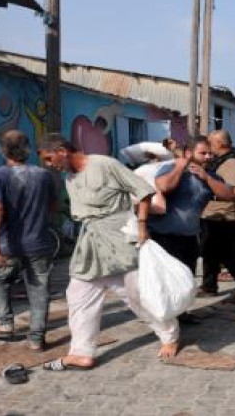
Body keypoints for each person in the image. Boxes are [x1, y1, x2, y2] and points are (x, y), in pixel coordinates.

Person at [38, 134, 179, 370]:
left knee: (137, 296)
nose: (49, 164)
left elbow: (144, 191)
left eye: (49, 158)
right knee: (78, 294)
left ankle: (169, 336)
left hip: (119, 239)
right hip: (90, 243)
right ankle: (81, 352)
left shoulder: (105, 164)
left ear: (62, 150)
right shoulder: (70, 177)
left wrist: (142, 226)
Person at [150, 136, 234, 324]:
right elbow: (163, 186)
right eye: (202, 153)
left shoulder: (210, 175)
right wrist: (181, 166)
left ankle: (181, 314)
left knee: (185, 280)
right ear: (189, 153)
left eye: (210, 153)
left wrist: (207, 178)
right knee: (165, 280)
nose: (208, 157)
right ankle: (165, 320)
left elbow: (228, 194)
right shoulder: (171, 168)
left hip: (189, 236)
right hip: (163, 235)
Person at [0, 131, 57, 350]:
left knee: (0, 281)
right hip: (39, 242)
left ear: (2, 150)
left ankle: (5, 325)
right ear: (27, 150)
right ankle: (36, 338)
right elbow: (52, 206)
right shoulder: (43, 175)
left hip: (10, 243)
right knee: (39, 288)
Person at [200, 130, 235, 300]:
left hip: (225, 216)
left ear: (221, 144)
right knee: (209, 253)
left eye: (211, 143)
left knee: (230, 255)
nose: (209, 147)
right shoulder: (217, 162)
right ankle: (209, 286)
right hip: (212, 215)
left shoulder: (232, 163)